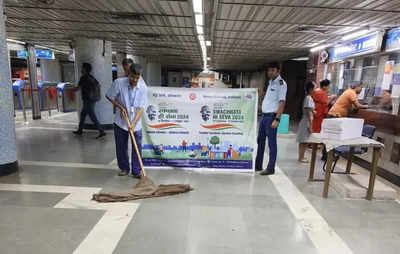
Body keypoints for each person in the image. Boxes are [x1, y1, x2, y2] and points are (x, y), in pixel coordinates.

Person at [106, 64, 148, 178]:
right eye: (132, 77)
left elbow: (140, 108)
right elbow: (109, 96)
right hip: (121, 120)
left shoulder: (143, 87)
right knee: (121, 145)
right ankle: (124, 168)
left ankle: (136, 170)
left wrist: (133, 123)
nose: (134, 80)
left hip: (136, 122)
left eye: (137, 78)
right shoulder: (119, 83)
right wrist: (120, 107)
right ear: (128, 74)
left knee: (137, 146)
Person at [256, 62, 287, 175]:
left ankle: (271, 168)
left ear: (278, 71)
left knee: (271, 143)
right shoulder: (270, 82)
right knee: (260, 140)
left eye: (272, 70)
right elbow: (269, 99)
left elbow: (282, 102)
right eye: (269, 70)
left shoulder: (281, 83)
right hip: (264, 117)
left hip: (271, 117)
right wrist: (261, 95)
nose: (270, 72)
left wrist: (277, 119)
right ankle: (258, 165)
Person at [73, 63, 106, 139]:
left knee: (92, 116)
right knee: (83, 114)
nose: (81, 69)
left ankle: (101, 131)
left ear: (85, 69)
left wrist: (70, 90)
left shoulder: (83, 78)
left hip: (88, 100)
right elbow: (98, 85)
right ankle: (80, 130)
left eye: (82, 68)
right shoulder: (91, 77)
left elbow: (77, 88)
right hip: (92, 99)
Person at [297, 81, 315, 163]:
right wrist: (310, 125)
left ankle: (301, 157)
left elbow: (309, 109)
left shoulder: (308, 98)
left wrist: (313, 111)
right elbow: (308, 111)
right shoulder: (308, 98)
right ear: (311, 89)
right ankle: (301, 157)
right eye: (314, 88)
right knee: (303, 141)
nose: (315, 90)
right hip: (306, 121)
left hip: (306, 120)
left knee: (304, 141)